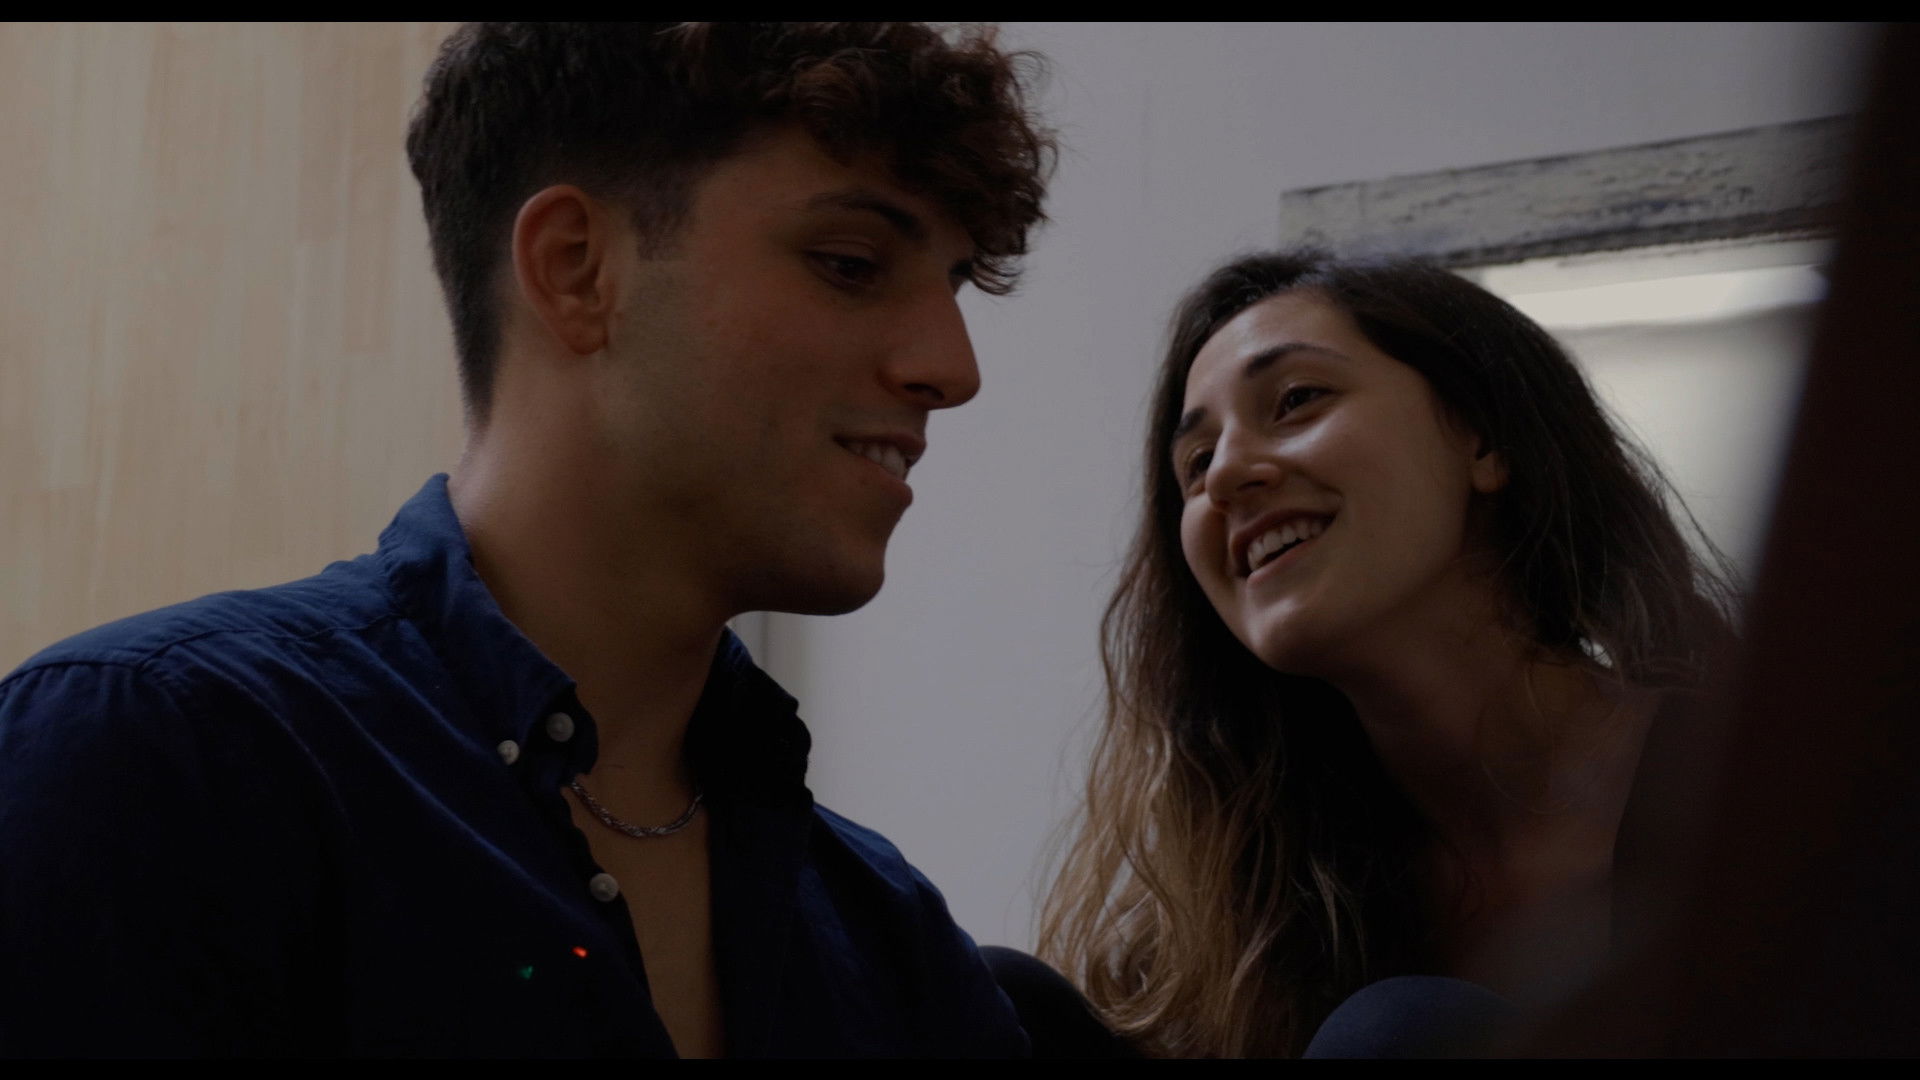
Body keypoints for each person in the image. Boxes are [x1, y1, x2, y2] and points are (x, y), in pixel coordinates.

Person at [0, 22, 1053, 1057]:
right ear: (575, 268)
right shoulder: (158, 760)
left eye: (955, 286)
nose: (952, 369)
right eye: (851, 264)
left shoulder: (892, 940)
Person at [1038, 250, 1740, 1057]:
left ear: (1483, 438)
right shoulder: (1257, 898)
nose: (1225, 475)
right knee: (1009, 1002)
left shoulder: (1753, 784)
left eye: (1296, 400)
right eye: (1195, 466)